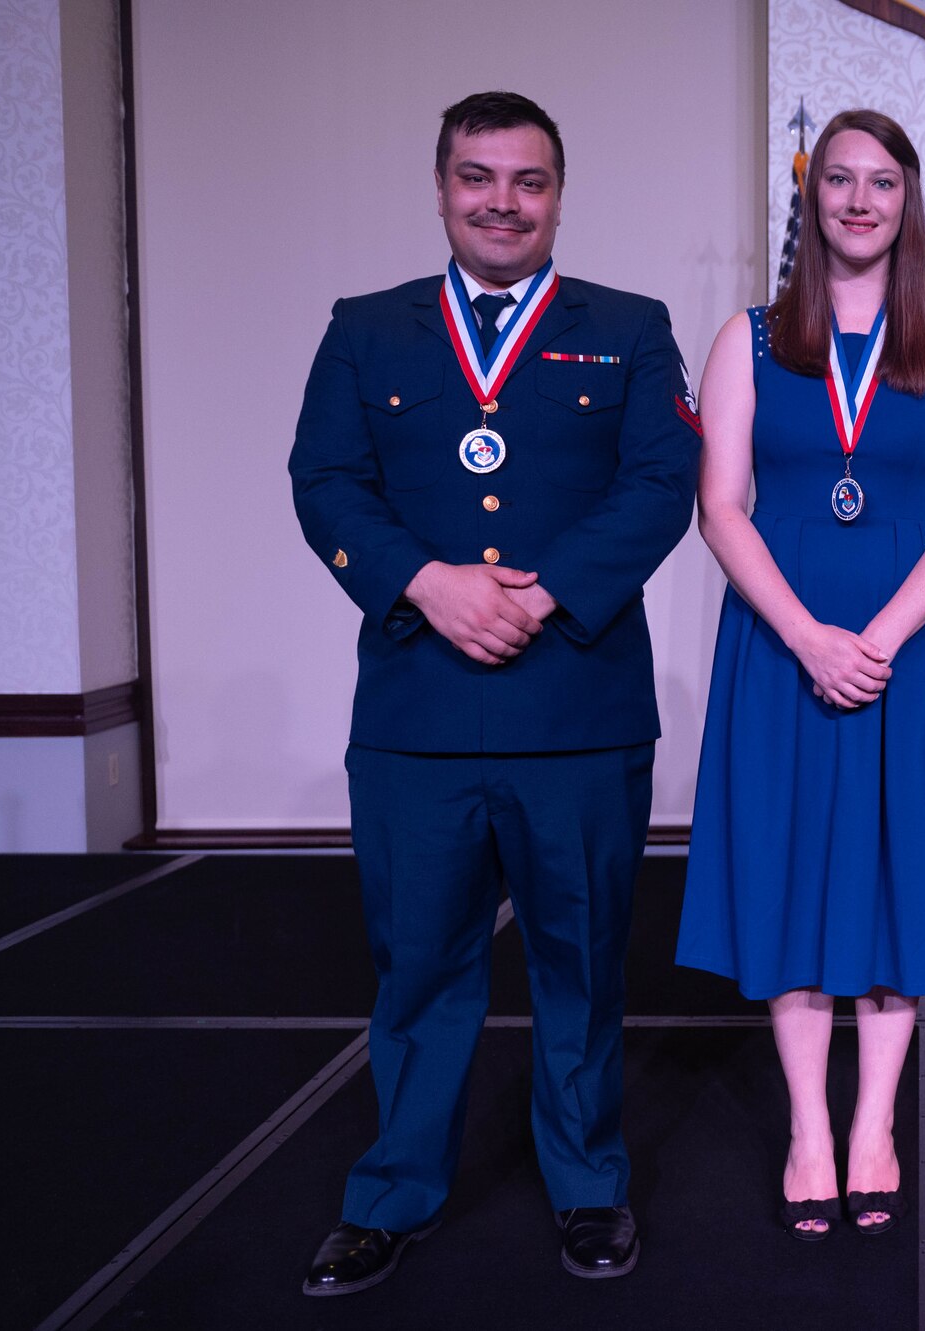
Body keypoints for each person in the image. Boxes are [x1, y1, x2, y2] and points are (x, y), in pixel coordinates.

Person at [288, 90, 701, 1293]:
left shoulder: (629, 326)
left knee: (581, 962)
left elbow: (661, 480)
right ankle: (395, 1190)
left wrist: (538, 593)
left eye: (526, 181)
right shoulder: (366, 330)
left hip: (576, 708)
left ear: (558, 196)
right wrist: (426, 581)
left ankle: (587, 1185)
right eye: (479, 178)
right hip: (417, 711)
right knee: (418, 966)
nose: (502, 201)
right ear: (440, 188)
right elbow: (325, 480)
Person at [675, 108, 925, 1241]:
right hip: (780, 647)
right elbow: (719, 508)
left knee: (894, 880)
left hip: (910, 657)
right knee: (791, 877)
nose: (859, 201)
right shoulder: (750, 340)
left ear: (908, 203)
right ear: (810, 200)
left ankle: (876, 1123)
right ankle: (809, 1125)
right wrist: (811, 635)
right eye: (838, 182)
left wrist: (878, 637)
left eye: (882, 183)